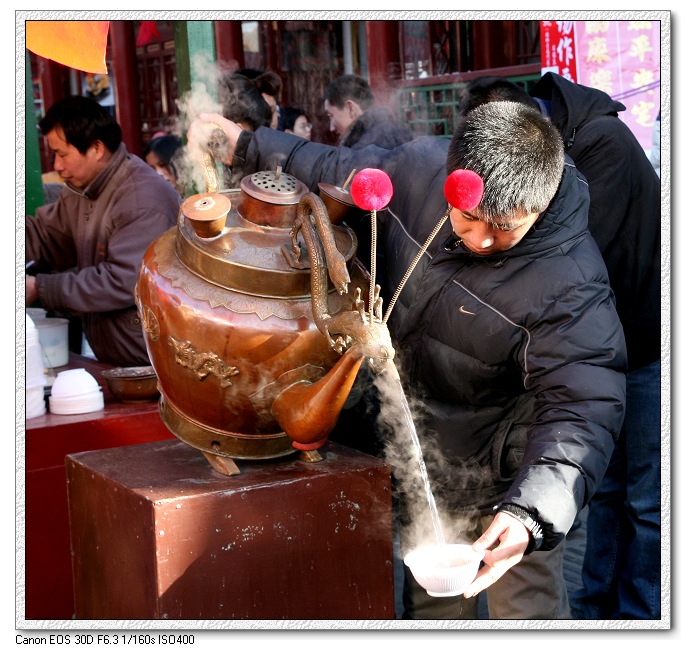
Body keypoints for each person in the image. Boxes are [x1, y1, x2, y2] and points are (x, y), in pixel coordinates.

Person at [188, 100, 627, 620]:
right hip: (423, 463)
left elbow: (583, 410)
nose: (482, 240)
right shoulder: (416, 171)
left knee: (526, 616)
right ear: (452, 182)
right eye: (469, 218)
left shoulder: (572, 284)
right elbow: (333, 169)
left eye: (506, 227)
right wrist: (248, 145)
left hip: (508, 477)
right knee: (435, 612)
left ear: (541, 202)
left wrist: (531, 515)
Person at [456, 74, 662, 620]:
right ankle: (596, 607)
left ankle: (639, 617)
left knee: (644, 499)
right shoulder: (563, 136)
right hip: (596, 344)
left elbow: (559, 269)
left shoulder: (602, 147)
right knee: (602, 490)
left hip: (643, 340)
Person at [25, 95, 181, 367]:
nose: (57, 165)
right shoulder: (83, 190)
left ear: (96, 149)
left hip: (150, 363)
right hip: (115, 356)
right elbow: (45, 235)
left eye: (62, 154)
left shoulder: (141, 198)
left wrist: (40, 288)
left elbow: (122, 281)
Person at [323, 74, 413, 149]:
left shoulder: (360, 153)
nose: (332, 128)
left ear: (351, 109)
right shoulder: (401, 135)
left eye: (331, 115)